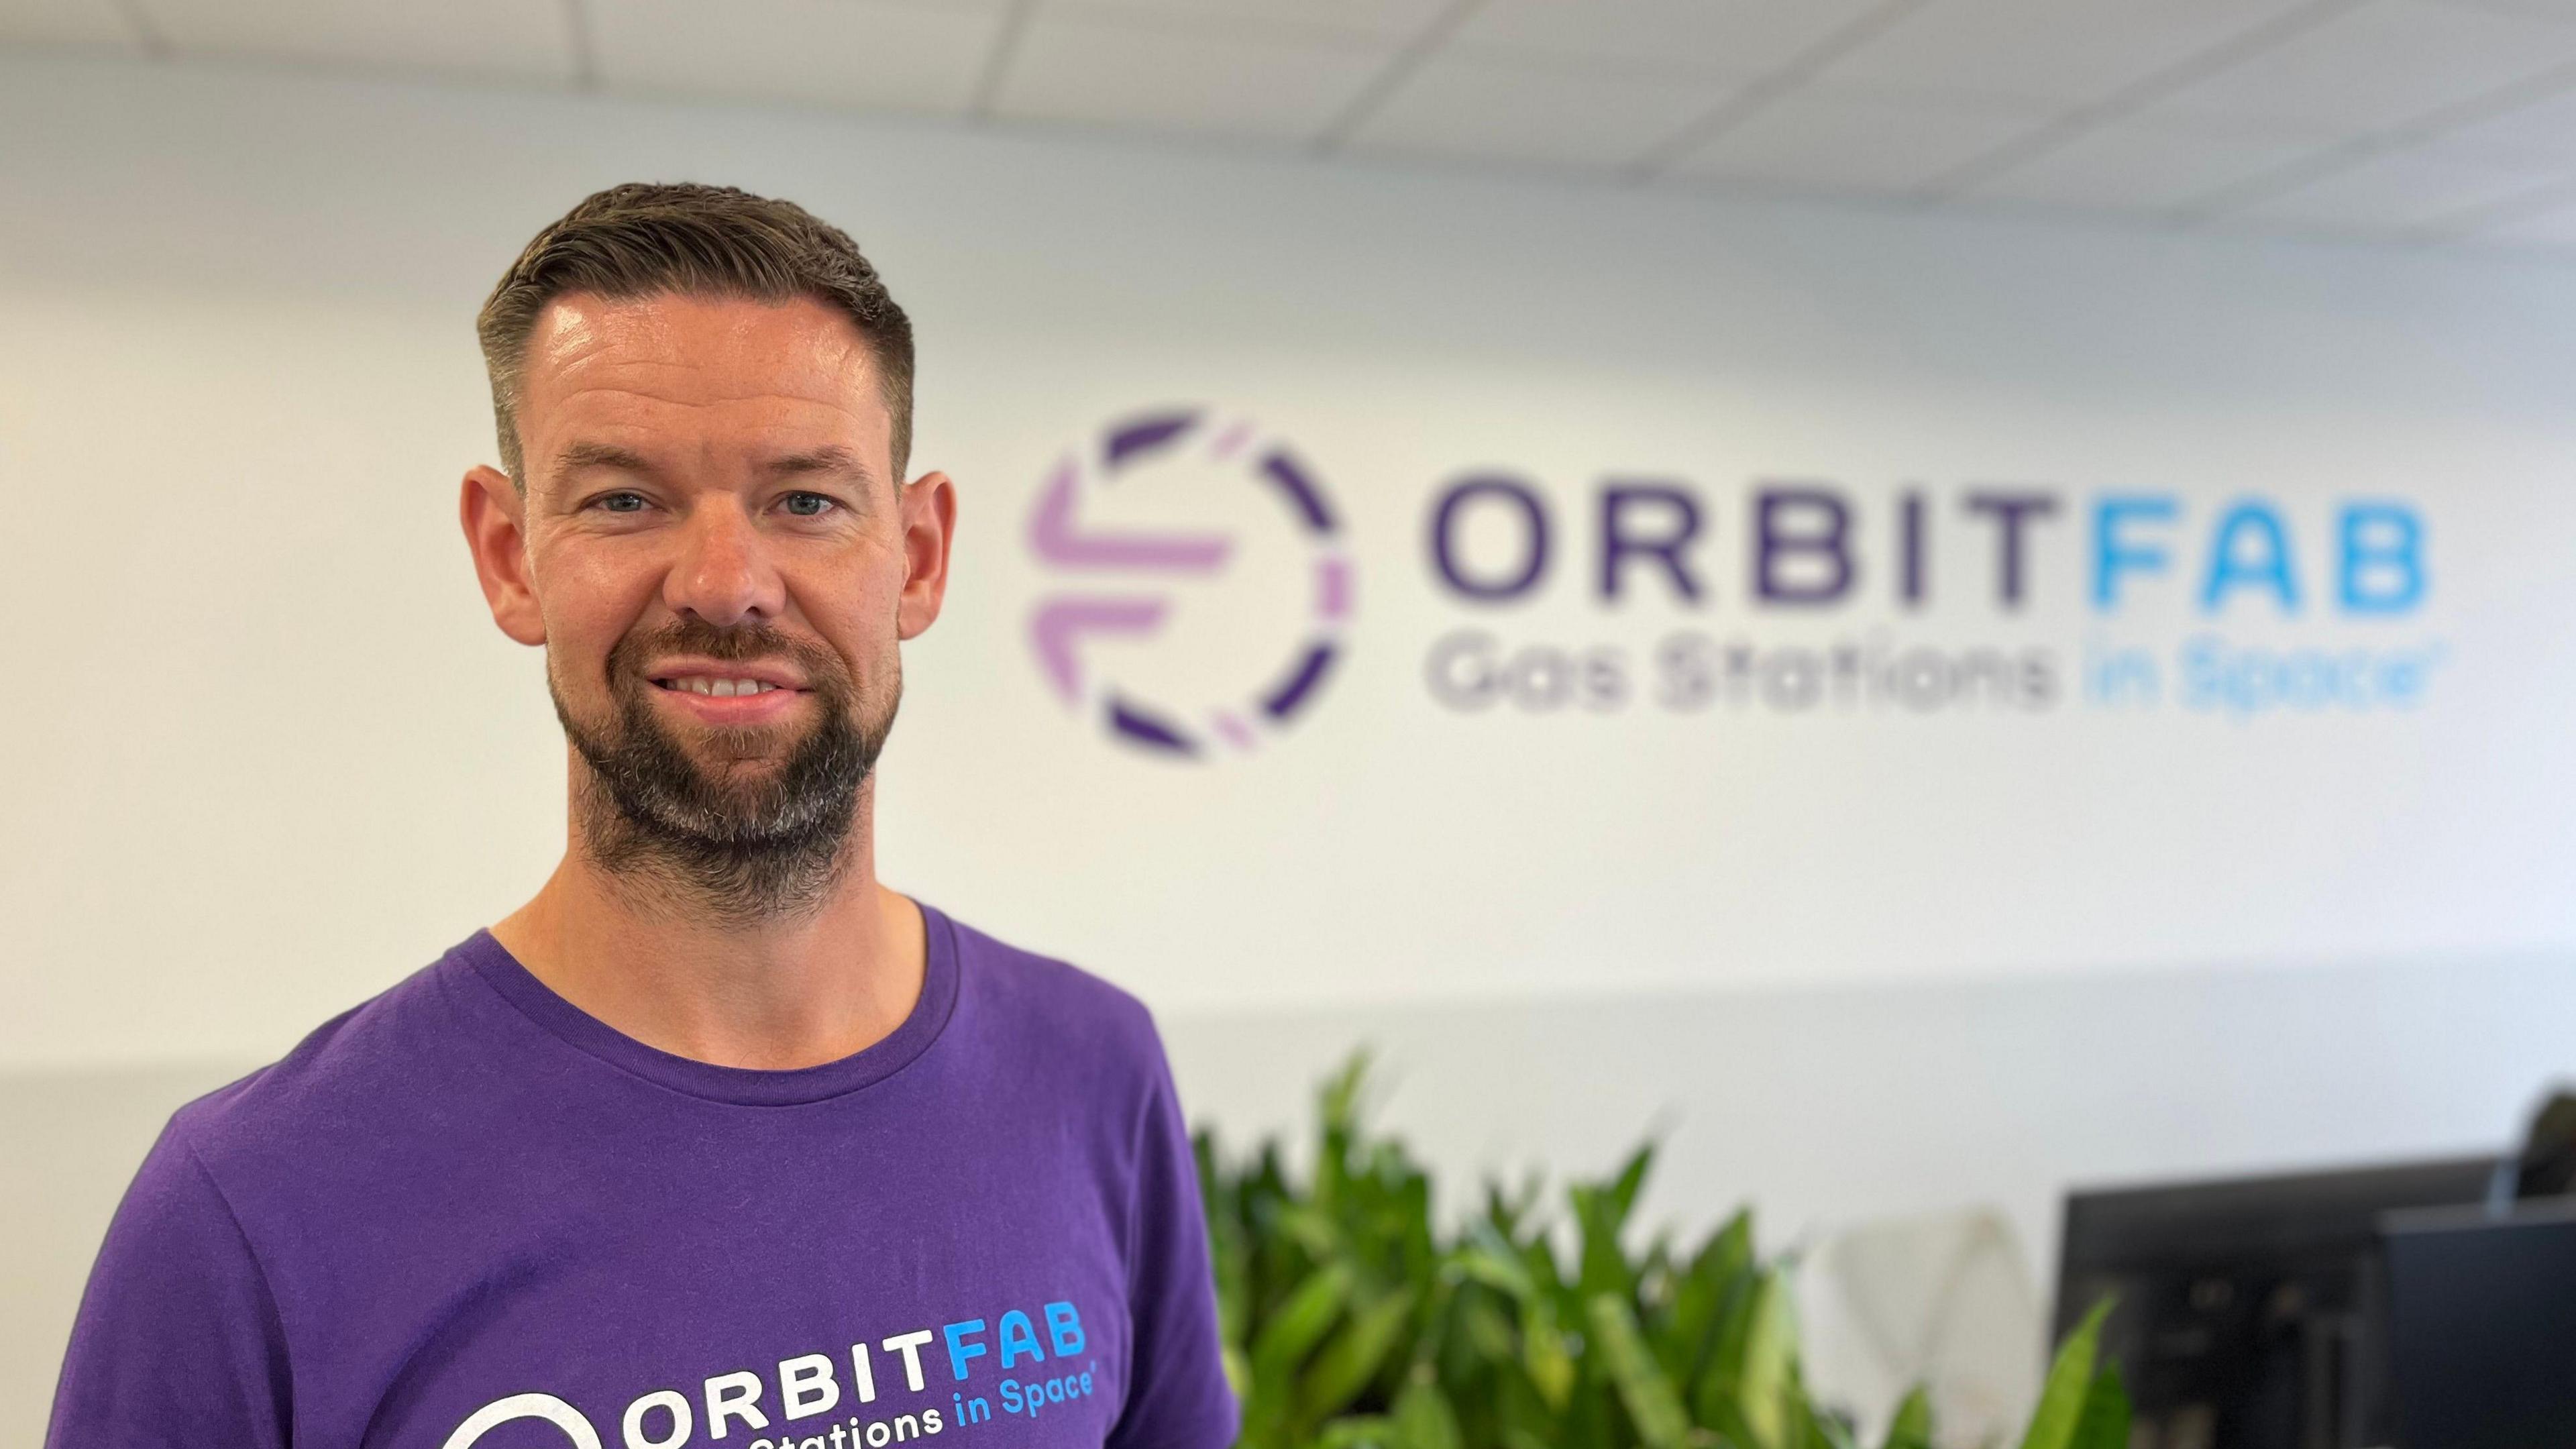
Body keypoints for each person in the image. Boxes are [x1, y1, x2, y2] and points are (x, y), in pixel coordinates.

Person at [44, 182, 1240, 1449]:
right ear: (510, 555)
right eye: (624, 499)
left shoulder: (1092, 1075)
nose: (727, 586)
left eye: (807, 500)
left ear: (921, 556)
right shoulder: (251, 1215)